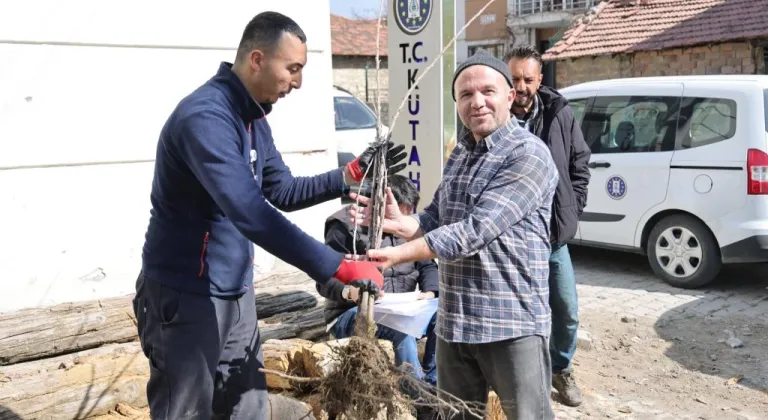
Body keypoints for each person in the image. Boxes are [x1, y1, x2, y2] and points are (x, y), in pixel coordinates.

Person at [132, 11, 407, 420]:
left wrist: (348, 175)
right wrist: (338, 266)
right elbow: (251, 213)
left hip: (234, 293)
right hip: (185, 294)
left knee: (248, 410)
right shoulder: (205, 118)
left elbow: (281, 190)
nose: (297, 82)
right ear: (257, 60)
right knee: (187, 412)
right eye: (292, 69)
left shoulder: (252, 116)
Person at [351, 50, 559, 420]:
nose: (477, 102)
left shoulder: (530, 155)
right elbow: (436, 218)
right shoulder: (462, 153)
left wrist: (399, 255)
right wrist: (401, 223)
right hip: (455, 321)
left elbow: (473, 231)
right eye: (466, 95)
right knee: (455, 416)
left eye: (487, 92)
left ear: (509, 96)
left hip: (510, 322)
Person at [504, 45, 591, 407]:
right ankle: (519, 377)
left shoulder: (559, 112)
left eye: (528, 78)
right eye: (515, 79)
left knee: (566, 309)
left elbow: (579, 162)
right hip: (510, 240)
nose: (521, 86)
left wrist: (572, 209)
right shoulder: (494, 114)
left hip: (552, 238)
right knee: (519, 313)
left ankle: (561, 368)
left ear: (540, 79)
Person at [318, 174, 439, 386]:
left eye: (405, 219)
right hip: (351, 311)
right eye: (395, 219)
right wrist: (352, 292)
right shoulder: (344, 226)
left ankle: (435, 382)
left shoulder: (408, 225)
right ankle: (418, 396)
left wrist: (430, 293)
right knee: (402, 331)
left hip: (403, 308)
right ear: (379, 207)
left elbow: (427, 264)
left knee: (446, 314)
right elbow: (324, 280)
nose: (399, 226)